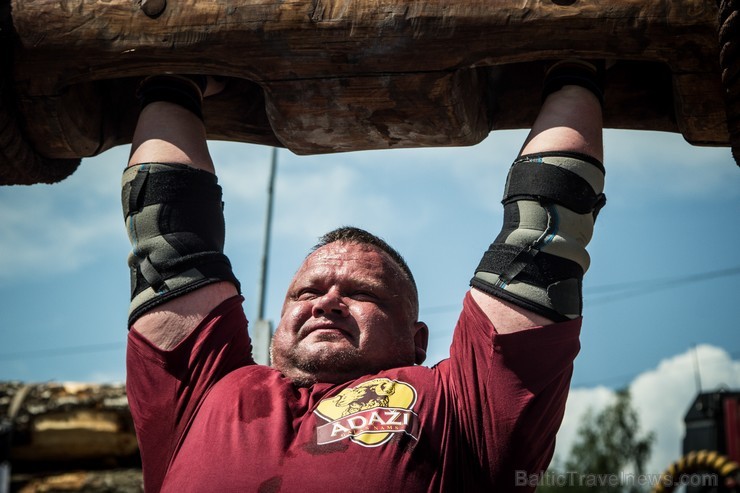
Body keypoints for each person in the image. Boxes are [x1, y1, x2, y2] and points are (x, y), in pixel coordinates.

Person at [122, 60, 606, 492]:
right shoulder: (205, 389)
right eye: (307, 291)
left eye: (360, 293)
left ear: (417, 342)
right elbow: (167, 238)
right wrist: (172, 72)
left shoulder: (463, 410)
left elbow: (541, 241)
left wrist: (575, 69)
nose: (326, 302)